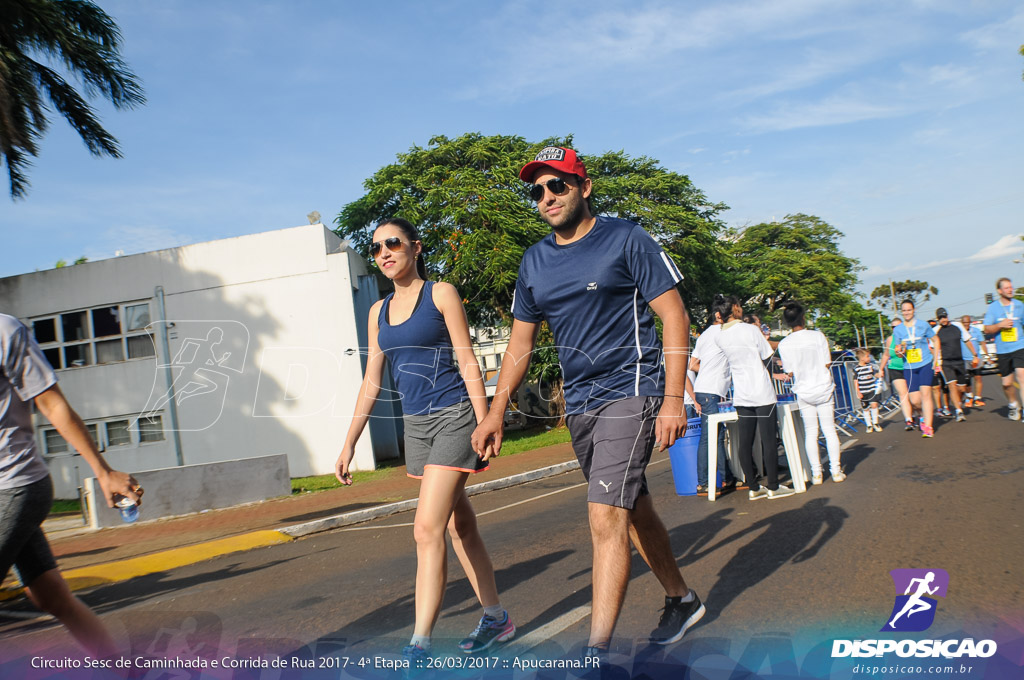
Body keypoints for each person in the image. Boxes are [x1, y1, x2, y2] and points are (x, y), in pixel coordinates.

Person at [471, 147, 703, 656]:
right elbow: (519, 345)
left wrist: (671, 400)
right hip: (581, 403)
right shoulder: (534, 260)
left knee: (603, 515)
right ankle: (682, 599)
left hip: (632, 387)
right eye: (538, 191)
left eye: (559, 186)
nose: (548, 197)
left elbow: (675, 316)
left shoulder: (626, 238)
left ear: (585, 187)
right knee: (632, 509)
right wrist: (494, 412)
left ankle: (596, 650)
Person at [335, 219, 513, 662]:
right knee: (458, 524)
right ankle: (496, 618)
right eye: (375, 248)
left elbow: (468, 360)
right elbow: (371, 382)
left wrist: (486, 420)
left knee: (425, 528)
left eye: (392, 243)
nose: (384, 253)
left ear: (415, 247)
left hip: (454, 417)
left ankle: (420, 644)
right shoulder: (378, 312)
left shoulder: (441, 293)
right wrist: (349, 443)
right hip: (416, 426)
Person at [1, 313, 142, 657]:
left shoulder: (5, 331)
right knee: (49, 595)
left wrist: (103, 471)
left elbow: (52, 403)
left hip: (14, 485)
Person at [715, 298, 795, 500]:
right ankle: (774, 487)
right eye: (739, 306)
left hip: (742, 394)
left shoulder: (720, 337)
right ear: (735, 308)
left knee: (745, 442)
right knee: (768, 440)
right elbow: (768, 358)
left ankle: (753, 487)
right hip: (762, 392)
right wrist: (777, 372)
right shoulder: (751, 331)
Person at [777, 301, 845, 485]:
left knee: (811, 432)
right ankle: (836, 471)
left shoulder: (784, 344)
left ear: (786, 322)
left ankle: (817, 474)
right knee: (829, 430)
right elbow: (827, 363)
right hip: (823, 387)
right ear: (803, 317)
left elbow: (789, 372)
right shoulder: (818, 336)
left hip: (804, 391)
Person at [689, 299, 737, 495]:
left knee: (714, 435)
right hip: (711, 391)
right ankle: (704, 482)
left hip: (704, 388)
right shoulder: (725, 332)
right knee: (710, 437)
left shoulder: (705, 335)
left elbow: (692, 365)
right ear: (720, 315)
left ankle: (726, 478)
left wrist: (709, 370)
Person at [891, 299, 940, 437]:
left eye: (909, 310)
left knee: (926, 394)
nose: (907, 312)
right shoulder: (899, 330)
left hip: (925, 363)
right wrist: (899, 351)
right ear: (902, 312)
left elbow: (936, 340)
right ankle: (922, 416)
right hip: (909, 367)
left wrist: (936, 360)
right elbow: (897, 350)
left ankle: (929, 427)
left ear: (914, 310)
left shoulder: (923, 325)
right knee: (915, 401)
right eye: (904, 310)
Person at [982, 277, 1024, 421]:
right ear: (999, 291)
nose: (1010, 290)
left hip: (1020, 346)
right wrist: (1001, 325)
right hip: (1003, 350)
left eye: (1011, 287)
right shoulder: (993, 308)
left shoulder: (1019, 305)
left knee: (1022, 377)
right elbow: (987, 329)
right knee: (1007, 384)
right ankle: (1013, 404)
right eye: (1006, 288)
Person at [934, 308, 977, 422]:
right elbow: (932, 347)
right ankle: (959, 411)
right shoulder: (936, 331)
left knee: (962, 388)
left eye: (944, 317)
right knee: (952, 386)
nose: (943, 320)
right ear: (938, 319)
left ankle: (957, 403)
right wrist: (936, 363)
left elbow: (967, 340)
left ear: (947, 316)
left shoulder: (958, 326)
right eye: (940, 318)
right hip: (946, 363)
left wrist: (975, 355)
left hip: (959, 361)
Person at [879, 317, 913, 429]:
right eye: (893, 327)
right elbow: (886, 354)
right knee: (903, 394)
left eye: (898, 326)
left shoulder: (908, 337)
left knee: (913, 396)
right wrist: (881, 369)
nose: (895, 328)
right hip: (895, 368)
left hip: (909, 368)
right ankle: (909, 420)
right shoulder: (890, 339)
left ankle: (919, 414)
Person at [959, 315, 987, 407]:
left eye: (968, 322)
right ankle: (969, 397)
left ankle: (978, 398)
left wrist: (987, 354)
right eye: (964, 323)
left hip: (976, 359)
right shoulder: (959, 333)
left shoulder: (976, 331)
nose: (966, 324)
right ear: (961, 323)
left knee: (978, 378)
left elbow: (982, 342)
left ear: (970, 322)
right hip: (964, 360)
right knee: (967, 380)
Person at [852, 348, 882, 433]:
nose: (869, 358)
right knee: (865, 408)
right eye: (867, 356)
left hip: (871, 389)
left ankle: (875, 423)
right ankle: (869, 425)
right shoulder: (856, 369)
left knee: (874, 405)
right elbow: (856, 381)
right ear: (862, 358)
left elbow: (874, 374)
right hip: (863, 391)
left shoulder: (870, 366)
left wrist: (878, 375)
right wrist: (858, 391)